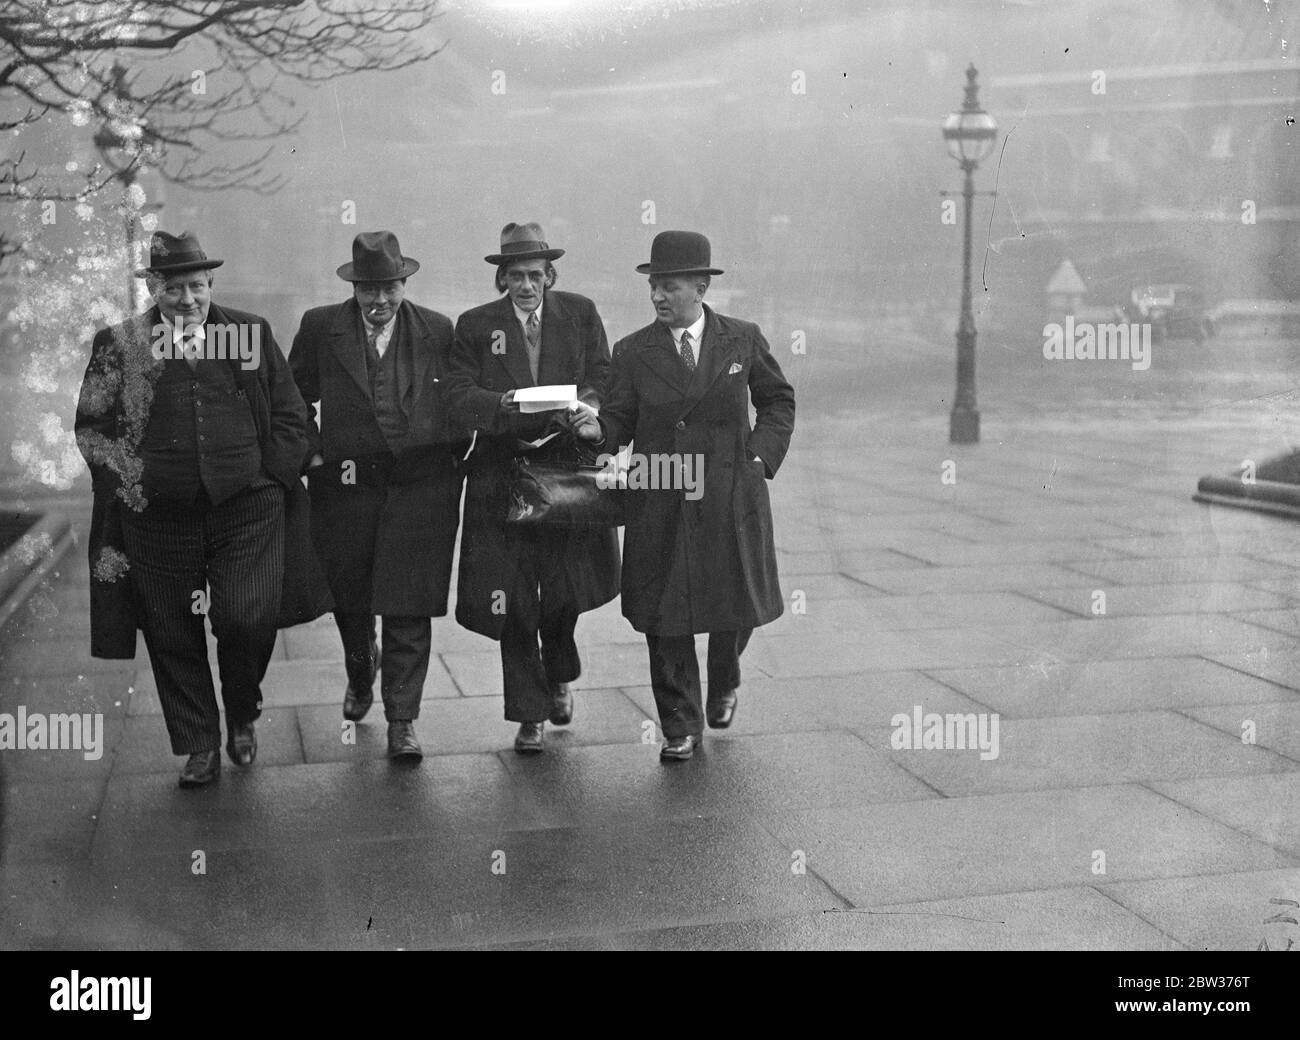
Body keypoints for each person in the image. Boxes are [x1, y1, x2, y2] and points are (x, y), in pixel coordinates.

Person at [75, 230, 311, 787]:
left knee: (246, 617)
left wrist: (272, 479)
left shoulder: (248, 334)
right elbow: (93, 429)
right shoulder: (120, 344)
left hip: (246, 509)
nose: (187, 300)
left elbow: (290, 413)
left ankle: (244, 712)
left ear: (212, 285)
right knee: (171, 630)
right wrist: (130, 486)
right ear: (154, 289)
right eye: (174, 289)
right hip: (157, 518)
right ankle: (199, 743)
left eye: (197, 287)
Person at [567, 230, 795, 761]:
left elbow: (777, 399)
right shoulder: (632, 351)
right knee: (664, 617)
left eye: (669, 286)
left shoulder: (742, 339)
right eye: (654, 287)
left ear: (699, 286)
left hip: (730, 498)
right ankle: (679, 726)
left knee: (736, 609)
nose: (658, 297)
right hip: (662, 496)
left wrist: (759, 457)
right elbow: (620, 419)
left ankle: (725, 678)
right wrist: (597, 433)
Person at [289, 231, 466, 759]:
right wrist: (313, 455)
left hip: (416, 490)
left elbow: (457, 400)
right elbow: (291, 396)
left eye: (389, 288)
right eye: (369, 290)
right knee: (352, 602)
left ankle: (402, 722)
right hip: (345, 491)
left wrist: (449, 464)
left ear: (404, 283)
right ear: (354, 287)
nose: (379, 301)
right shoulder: (321, 327)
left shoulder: (437, 329)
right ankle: (361, 669)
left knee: (409, 606)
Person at [444, 222, 619, 753]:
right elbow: (456, 392)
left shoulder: (580, 313)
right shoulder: (476, 325)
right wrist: (502, 406)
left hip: (566, 473)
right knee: (515, 600)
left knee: (564, 589)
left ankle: (560, 668)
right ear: (502, 279)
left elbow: (603, 375)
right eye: (516, 276)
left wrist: (582, 402)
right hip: (503, 476)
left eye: (536, 275)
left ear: (551, 275)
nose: (526, 285)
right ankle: (529, 712)